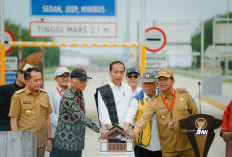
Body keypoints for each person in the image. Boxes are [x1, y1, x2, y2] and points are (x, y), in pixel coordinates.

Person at [130, 68, 199, 157]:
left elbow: (196, 116)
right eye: (160, 80)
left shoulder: (185, 96)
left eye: (165, 79)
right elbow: (144, 118)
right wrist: (135, 131)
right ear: (157, 83)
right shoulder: (155, 101)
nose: (162, 82)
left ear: (173, 81)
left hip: (187, 147)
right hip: (168, 150)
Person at [51, 68, 107, 157]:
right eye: (81, 80)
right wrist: (99, 129)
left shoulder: (79, 93)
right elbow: (81, 116)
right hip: (66, 144)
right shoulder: (68, 97)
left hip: (77, 142)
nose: (84, 83)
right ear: (72, 81)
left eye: (85, 80)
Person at [9, 67, 53, 157]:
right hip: (25, 142)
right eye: (36, 80)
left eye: (40, 80)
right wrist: (17, 141)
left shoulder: (45, 95)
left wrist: (49, 139)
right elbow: (13, 120)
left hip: (41, 142)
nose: (39, 83)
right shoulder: (17, 96)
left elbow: (47, 118)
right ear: (27, 82)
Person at [0, 51, 45, 131]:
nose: (27, 76)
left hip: (30, 131)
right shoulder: (4, 90)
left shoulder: (35, 92)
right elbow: (4, 112)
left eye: (29, 75)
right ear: (18, 74)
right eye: (25, 73)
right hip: (8, 130)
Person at [95, 61, 133, 129]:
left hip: (126, 130)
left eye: (121, 72)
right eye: (115, 72)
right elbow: (103, 113)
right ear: (110, 73)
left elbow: (131, 109)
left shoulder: (128, 88)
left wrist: (127, 126)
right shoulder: (103, 90)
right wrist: (112, 130)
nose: (118, 75)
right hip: (110, 132)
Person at [48, 67, 70, 139]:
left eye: (67, 76)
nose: (65, 78)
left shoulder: (75, 92)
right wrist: (64, 127)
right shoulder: (51, 94)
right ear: (55, 79)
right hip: (58, 134)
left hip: (73, 135)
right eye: (62, 76)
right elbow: (51, 115)